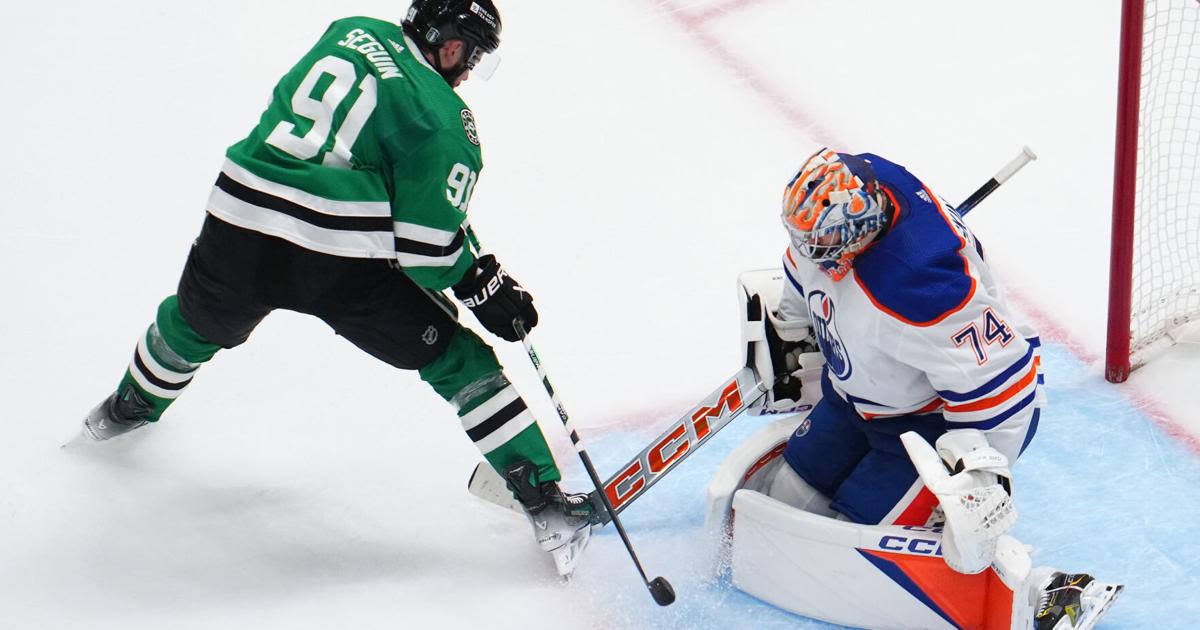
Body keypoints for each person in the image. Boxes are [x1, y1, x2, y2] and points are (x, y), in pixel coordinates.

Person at [77, 0, 594, 577]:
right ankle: (545, 502)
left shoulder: (352, 30)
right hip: (335, 255)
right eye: (470, 54)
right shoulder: (447, 121)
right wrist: (483, 286)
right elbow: (426, 249)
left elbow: (352, 135)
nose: (469, 70)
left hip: (237, 218)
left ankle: (123, 411)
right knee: (457, 357)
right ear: (451, 44)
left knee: (192, 325)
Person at [719, 148, 1122, 628]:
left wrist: (975, 476)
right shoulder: (858, 188)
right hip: (856, 399)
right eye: (806, 237)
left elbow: (1006, 387)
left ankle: (1047, 590)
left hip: (925, 425)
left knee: (853, 548)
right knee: (780, 499)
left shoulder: (924, 290)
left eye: (823, 239)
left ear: (860, 228)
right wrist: (793, 324)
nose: (812, 250)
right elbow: (804, 262)